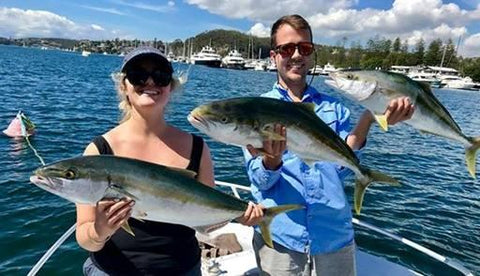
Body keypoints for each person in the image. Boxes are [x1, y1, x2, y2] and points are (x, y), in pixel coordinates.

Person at [243, 14, 414, 276]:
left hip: (334, 237)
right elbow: (261, 181)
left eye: (305, 48)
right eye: (287, 49)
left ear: (312, 54)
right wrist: (271, 161)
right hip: (281, 238)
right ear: (273, 56)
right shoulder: (258, 110)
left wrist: (369, 116)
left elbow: (341, 169)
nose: (297, 55)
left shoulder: (335, 109)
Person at [76, 46, 264, 275]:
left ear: (171, 86)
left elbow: (206, 220)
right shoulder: (99, 151)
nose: (150, 82)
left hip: (183, 269)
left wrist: (242, 214)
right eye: (138, 75)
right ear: (124, 86)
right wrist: (100, 230)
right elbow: (85, 238)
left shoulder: (197, 148)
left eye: (161, 75)